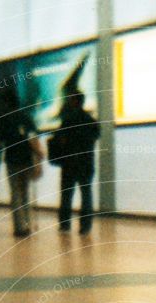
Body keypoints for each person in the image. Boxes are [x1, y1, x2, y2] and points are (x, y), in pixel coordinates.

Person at [0, 88, 39, 238]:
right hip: (27, 159)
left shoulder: (4, 119)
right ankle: (27, 223)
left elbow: (0, 141)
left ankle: (20, 227)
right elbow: (33, 136)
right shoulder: (26, 117)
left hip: (12, 160)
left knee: (15, 192)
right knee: (24, 192)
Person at [55, 92, 99, 235]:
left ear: (74, 101)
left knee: (66, 194)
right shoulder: (91, 121)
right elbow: (95, 137)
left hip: (69, 163)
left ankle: (64, 224)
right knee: (86, 194)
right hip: (86, 163)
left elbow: (59, 139)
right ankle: (85, 226)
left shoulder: (67, 121)